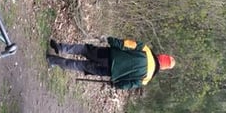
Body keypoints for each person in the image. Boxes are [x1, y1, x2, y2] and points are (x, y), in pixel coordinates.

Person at [46, 37, 175, 90]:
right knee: (80, 66)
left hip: (109, 54)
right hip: (109, 71)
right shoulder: (147, 79)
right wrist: (116, 84)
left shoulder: (145, 49)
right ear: (162, 68)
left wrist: (111, 40)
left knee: (85, 50)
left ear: (160, 56)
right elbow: (128, 85)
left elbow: (126, 44)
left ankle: (61, 48)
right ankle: (53, 60)